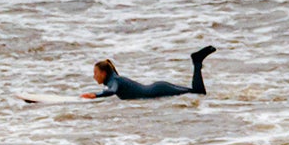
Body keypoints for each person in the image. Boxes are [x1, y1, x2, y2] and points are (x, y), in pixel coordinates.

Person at [86, 45, 215, 100]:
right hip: (158, 88)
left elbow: (112, 91)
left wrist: (95, 95)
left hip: (158, 90)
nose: (94, 76)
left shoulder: (114, 81)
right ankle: (197, 62)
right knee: (197, 93)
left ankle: (197, 62)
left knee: (198, 93)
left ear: (103, 73)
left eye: (95, 73)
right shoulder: (115, 79)